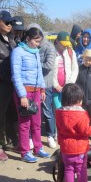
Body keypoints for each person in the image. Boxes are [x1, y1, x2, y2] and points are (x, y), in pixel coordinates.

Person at [11, 26, 50, 162]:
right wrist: (22, 95)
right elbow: (16, 75)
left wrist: (42, 89)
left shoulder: (35, 52)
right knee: (24, 123)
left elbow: (40, 73)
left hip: (36, 92)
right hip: (24, 92)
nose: (38, 44)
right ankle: (25, 151)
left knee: (37, 122)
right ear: (28, 38)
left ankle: (38, 148)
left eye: (39, 42)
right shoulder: (18, 52)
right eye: (36, 41)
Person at [56, 83, 91, 182]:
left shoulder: (59, 113)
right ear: (77, 100)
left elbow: (59, 130)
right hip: (79, 149)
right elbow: (85, 131)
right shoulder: (81, 114)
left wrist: (61, 144)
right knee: (81, 170)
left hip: (66, 148)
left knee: (69, 170)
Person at [34, 23, 57, 149]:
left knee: (47, 111)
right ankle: (33, 137)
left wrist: (34, 64)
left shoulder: (49, 47)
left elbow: (49, 65)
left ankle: (50, 135)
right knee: (33, 112)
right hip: (33, 84)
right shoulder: (29, 47)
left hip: (46, 83)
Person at [0, 10, 17, 161]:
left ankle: (10, 141)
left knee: (12, 113)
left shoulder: (11, 39)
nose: (9, 25)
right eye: (6, 22)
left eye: (10, 22)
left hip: (11, 83)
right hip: (1, 83)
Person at [53, 32, 79, 109]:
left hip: (67, 89)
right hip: (54, 90)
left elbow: (75, 69)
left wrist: (69, 84)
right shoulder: (51, 52)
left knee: (67, 110)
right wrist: (55, 84)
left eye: (66, 44)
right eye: (63, 44)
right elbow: (49, 71)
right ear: (57, 41)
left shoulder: (70, 52)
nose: (65, 46)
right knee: (58, 110)